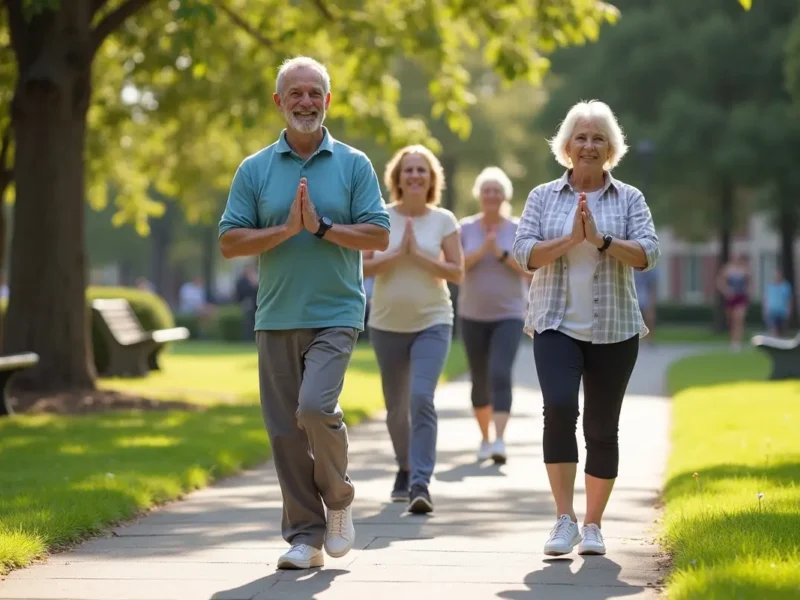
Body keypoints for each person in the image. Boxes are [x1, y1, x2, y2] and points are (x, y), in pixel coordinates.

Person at [218, 56, 390, 570]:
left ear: (328, 100)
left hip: (336, 311)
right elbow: (229, 241)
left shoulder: (354, 164)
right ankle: (305, 537)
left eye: (315, 92)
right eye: (296, 92)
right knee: (284, 432)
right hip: (275, 315)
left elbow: (379, 234)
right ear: (279, 102)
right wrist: (286, 230)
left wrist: (321, 228)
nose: (306, 101)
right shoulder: (254, 169)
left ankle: (338, 500)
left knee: (315, 408)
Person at [512, 100, 659, 557]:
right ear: (567, 146)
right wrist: (572, 240)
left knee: (601, 426)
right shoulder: (542, 196)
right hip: (555, 323)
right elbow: (524, 254)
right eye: (581, 137)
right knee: (558, 408)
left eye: (598, 138)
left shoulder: (630, 198)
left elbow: (649, 253)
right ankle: (564, 519)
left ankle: (593, 525)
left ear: (610, 148)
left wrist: (602, 240)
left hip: (615, 328)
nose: (589, 145)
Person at [363, 144, 464, 513]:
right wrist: (396, 255)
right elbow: (361, 267)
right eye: (409, 169)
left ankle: (420, 483)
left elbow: (457, 272)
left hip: (432, 321)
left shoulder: (444, 220)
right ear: (398, 178)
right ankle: (404, 468)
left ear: (431, 178)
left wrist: (418, 256)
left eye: (422, 170)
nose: (415, 175)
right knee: (395, 409)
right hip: (386, 323)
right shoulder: (380, 217)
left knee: (421, 398)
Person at [458, 166, 530, 464]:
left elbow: (530, 271)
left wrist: (500, 254)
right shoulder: (465, 228)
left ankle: (500, 440)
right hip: (472, 314)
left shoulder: (518, 228)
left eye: (496, 190)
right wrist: (482, 250)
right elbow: (455, 267)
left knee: (500, 372)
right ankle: (485, 439)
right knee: (479, 377)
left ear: (504, 196)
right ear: (479, 195)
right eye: (486, 190)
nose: (491, 195)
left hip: (509, 314)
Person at [716, 254, 751, 351]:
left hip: (741, 297)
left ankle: (737, 343)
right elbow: (719, 282)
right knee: (731, 321)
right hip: (731, 298)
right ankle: (732, 341)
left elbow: (749, 283)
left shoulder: (745, 269)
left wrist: (748, 293)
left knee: (739, 319)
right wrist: (726, 291)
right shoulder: (727, 269)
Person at [763, 267, 793, 337]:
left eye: (779, 274)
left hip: (782, 312)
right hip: (772, 311)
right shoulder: (769, 286)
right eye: (776, 274)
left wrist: (789, 310)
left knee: (782, 331)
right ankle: (774, 340)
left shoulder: (786, 286)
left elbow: (789, 300)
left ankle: (780, 340)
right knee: (773, 329)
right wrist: (765, 310)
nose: (777, 276)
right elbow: (766, 299)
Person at [634, 266, 658, 344]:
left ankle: (650, 339)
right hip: (634, 294)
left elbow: (653, 287)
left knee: (649, 317)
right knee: (635, 319)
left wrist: (652, 303)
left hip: (645, 295)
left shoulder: (650, 269)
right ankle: (637, 339)